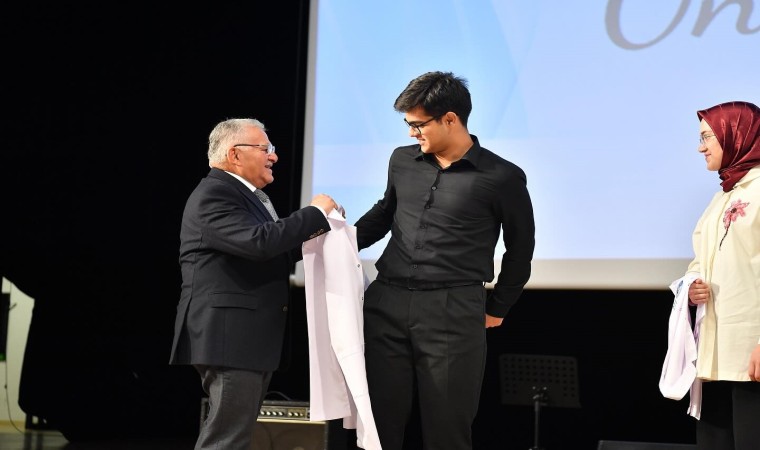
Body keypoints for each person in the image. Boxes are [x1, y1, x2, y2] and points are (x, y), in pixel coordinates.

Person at [354, 71, 535, 450]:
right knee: (377, 424)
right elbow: (384, 213)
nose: (411, 134)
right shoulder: (402, 161)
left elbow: (520, 248)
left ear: (450, 119)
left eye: (418, 125)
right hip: (386, 302)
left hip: (453, 309)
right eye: (408, 124)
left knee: (447, 427)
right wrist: (337, 244)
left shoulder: (502, 177)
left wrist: (498, 307)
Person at [169, 118, 338, 450]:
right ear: (235, 154)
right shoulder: (215, 194)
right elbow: (259, 242)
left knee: (234, 437)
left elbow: (274, 250)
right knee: (227, 439)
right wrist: (314, 213)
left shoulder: (243, 196)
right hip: (230, 336)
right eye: (265, 148)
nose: (273, 156)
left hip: (244, 338)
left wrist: (337, 233)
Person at [684, 101, 760, 450]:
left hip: (750, 350)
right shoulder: (722, 198)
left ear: (736, 135)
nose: (700, 147)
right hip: (714, 352)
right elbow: (701, 260)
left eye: (707, 137)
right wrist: (692, 285)